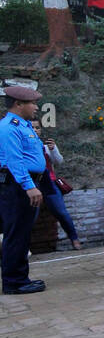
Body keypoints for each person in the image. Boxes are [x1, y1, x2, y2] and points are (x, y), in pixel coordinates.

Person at [0, 85, 49, 294]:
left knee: (22, 232)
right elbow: (15, 160)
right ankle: (14, 282)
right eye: (32, 103)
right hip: (17, 185)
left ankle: (20, 277)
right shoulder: (8, 127)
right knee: (16, 233)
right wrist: (29, 186)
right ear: (18, 104)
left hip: (23, 183)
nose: (36, 107)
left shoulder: (24, 125)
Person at [33, 122, 81, 250]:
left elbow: (58, 161)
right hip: (32, 185)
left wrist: (53, 149)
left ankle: (74, 239)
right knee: (30, 216)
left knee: (61, 212)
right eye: (31, 127)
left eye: (37, 127)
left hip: (50, 183)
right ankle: (23, 247)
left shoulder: (47, 147)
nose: (35, 130)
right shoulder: (21, 146)